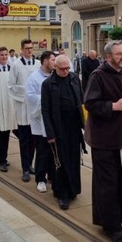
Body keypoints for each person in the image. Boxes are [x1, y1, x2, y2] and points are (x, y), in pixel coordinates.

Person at [84, 40, 122, 242]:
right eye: (118, 54)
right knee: (108, 183)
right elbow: (90, 103)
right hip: (104, 139)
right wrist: (114, 106)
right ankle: (113, 228)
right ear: (108, 56)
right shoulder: (98, 76)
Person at [41, 54, 86, 210]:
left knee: (74, 159)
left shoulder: (74, 79)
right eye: (62, 69)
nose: (66, 71)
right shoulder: (48, 84)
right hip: (58, 128)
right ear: (55, 67)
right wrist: (50, 134)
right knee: (61, 160)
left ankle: (73, 189)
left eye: (67, 68)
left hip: (74, 126)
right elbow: (45, 111)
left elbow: (81, 101)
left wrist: (85, 123)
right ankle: (62, 194)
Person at [25, 51, 56, 195]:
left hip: (54, 121)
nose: (54, 63)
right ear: (45, 61)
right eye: (52, 60)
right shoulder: (34, 78)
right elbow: (30, 97)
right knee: (42, 151)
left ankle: (52, 176)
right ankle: (40, 179)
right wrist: (46, 99)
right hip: (40, 121)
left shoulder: (55, 75)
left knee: (54, 151)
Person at [8, 39, 39, 182]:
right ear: (21, 49)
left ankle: (31, 164)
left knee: (33, 139)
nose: (29, 51)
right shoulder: (16, 65)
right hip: (22, 106)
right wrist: (25, 92)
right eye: (26, 48)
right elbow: (11, 85)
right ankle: (25, 168)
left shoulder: (38, 64)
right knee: (24, 139)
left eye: (31, 48)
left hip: (35, 107)